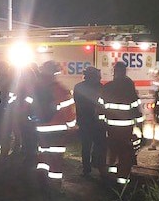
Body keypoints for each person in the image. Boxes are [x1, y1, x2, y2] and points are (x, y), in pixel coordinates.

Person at [99, 61, 143, 187]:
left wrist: (102, 124)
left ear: (114, 72)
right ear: (124, 72)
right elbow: (136, 110)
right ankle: (123, 180)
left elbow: (100, 108)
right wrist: (140, 128)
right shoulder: (129, 88)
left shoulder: (107, 87)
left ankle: (110, 177)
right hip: (126, 129)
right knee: (125, 154)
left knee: (112, 151)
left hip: (111, 128)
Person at [34, 60, 75, 190]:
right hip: (57, 131)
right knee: (56, 159)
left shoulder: (37, 88)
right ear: (55, 73)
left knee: (43, 155)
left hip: (41, 129)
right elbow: (69, 111)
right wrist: (71, 125)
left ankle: (41, 181)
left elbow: (28, 108)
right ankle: (55, 186)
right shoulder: (61, 90)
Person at [73, 66, 106, 178]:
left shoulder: (78, 87)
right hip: (96, 122)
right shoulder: (101, 88)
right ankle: (96, 166)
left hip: (85, 122)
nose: (99, 78)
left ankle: (87, 168)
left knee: (86, 146)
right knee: (98, 145)